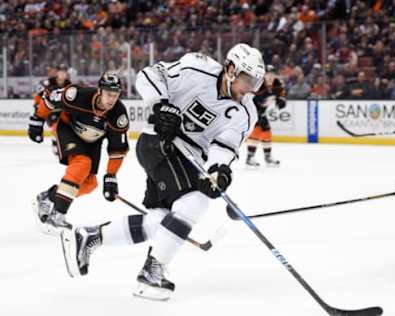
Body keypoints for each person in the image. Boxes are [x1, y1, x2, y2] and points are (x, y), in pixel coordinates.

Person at [60, 44, 264, 300]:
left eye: (255, 82)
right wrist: (161, 105)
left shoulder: (246, 113)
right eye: (247, 79)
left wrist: (218, 171)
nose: (249, 88)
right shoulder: (197, 67)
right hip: (159, 142)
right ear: (231, 69)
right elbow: (149, 75)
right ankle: (152, 272)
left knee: (162, 221)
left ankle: (90, 236)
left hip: (190, 157)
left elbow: (225, 146)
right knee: (195, 203)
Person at [31, 72, 129, 233]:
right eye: (109, 94)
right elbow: (49, 99)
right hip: (68, 129)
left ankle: (49, 197)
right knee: (82, 163)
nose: (112, 99)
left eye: (116, 95)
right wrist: (37, 118)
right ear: (99, 91)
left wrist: (111, 175)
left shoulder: (119, 114)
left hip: (93, 141)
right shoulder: (77, 95)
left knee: (90, 184)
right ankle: (57, 215)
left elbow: (117, 150)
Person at [245, 65, 286, 167]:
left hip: (262, 111)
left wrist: (281, 102)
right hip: (252, 109)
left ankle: (258, 157)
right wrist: (257, 113)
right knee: (258, 130)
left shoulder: (278, 85)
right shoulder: (258, 85)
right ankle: (253, 157)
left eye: (272, 76)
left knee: (265, 131)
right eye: (267, 76)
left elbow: (281, 98)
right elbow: (249, 99)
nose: (270, 78)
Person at [29, 64, 72, 155]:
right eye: (61, 72)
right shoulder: (48, 83)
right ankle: (55, 142)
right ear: (57, 73)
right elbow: (38, 95)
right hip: (50, 111)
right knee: (55, 125)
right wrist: (37, 105)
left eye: (65, 72)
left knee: (67, 126)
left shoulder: (69, 85)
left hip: (62, 111)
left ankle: (62, 142)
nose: (63, 75)